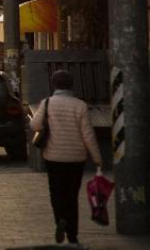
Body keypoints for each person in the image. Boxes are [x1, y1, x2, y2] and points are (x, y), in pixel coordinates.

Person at [31, 70, 102, 245]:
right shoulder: (80, 105)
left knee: (56, 193)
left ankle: (60, 221)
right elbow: (88, 134)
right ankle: (73, 235)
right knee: (72, 195)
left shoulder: (47, 103)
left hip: (53, 157)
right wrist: (97, 158)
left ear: (54, 84)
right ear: (71, 85)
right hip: (76, 158)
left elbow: (35, 125)